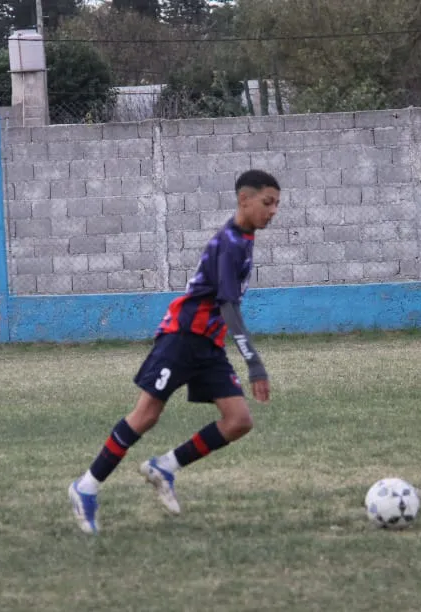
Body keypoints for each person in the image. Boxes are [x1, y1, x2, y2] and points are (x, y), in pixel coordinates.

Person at [67, 169, 281, 534]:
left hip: (209, 344)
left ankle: (165, 466)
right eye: (268, 202)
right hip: (182, 336)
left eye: (277, 204)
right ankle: (85, 488)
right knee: (146, 414)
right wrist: (255, 364)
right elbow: (229, 306)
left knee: (238, 421)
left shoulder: (244, 239)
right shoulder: (229, 243)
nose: (274, 211)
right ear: (244, 199)